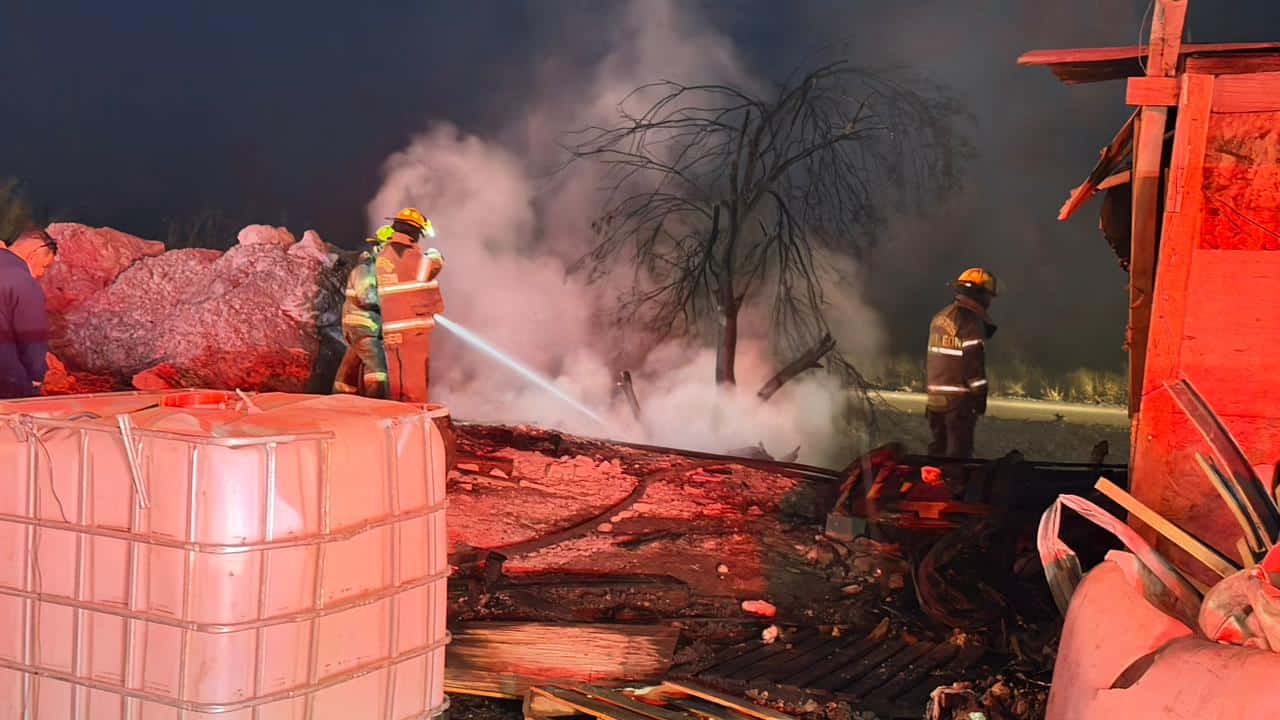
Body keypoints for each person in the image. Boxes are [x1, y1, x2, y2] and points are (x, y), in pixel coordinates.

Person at [333, 208, 444, 401]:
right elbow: (368, 297)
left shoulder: (381, 263)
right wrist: (435, 255)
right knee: (381, 370)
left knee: (354, 369)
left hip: (373, 327)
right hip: (371, 327)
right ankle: (378, 406)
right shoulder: (376, 266)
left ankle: (344, 402)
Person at [925, 267, 998, 458]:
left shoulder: (940, 317)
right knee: (958, 462)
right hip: (958, 404)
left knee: (937, 456)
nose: (990, 302)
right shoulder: (970, 321)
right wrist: (980, 397)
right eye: (988, 296)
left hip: (934, 400)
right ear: (980, 295)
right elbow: (973, 366)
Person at [0, 230, 57, 398]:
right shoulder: (21, 281)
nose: (41, 273)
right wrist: (36, 378)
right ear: (33, 255)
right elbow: (33, 336)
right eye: (44, 266)